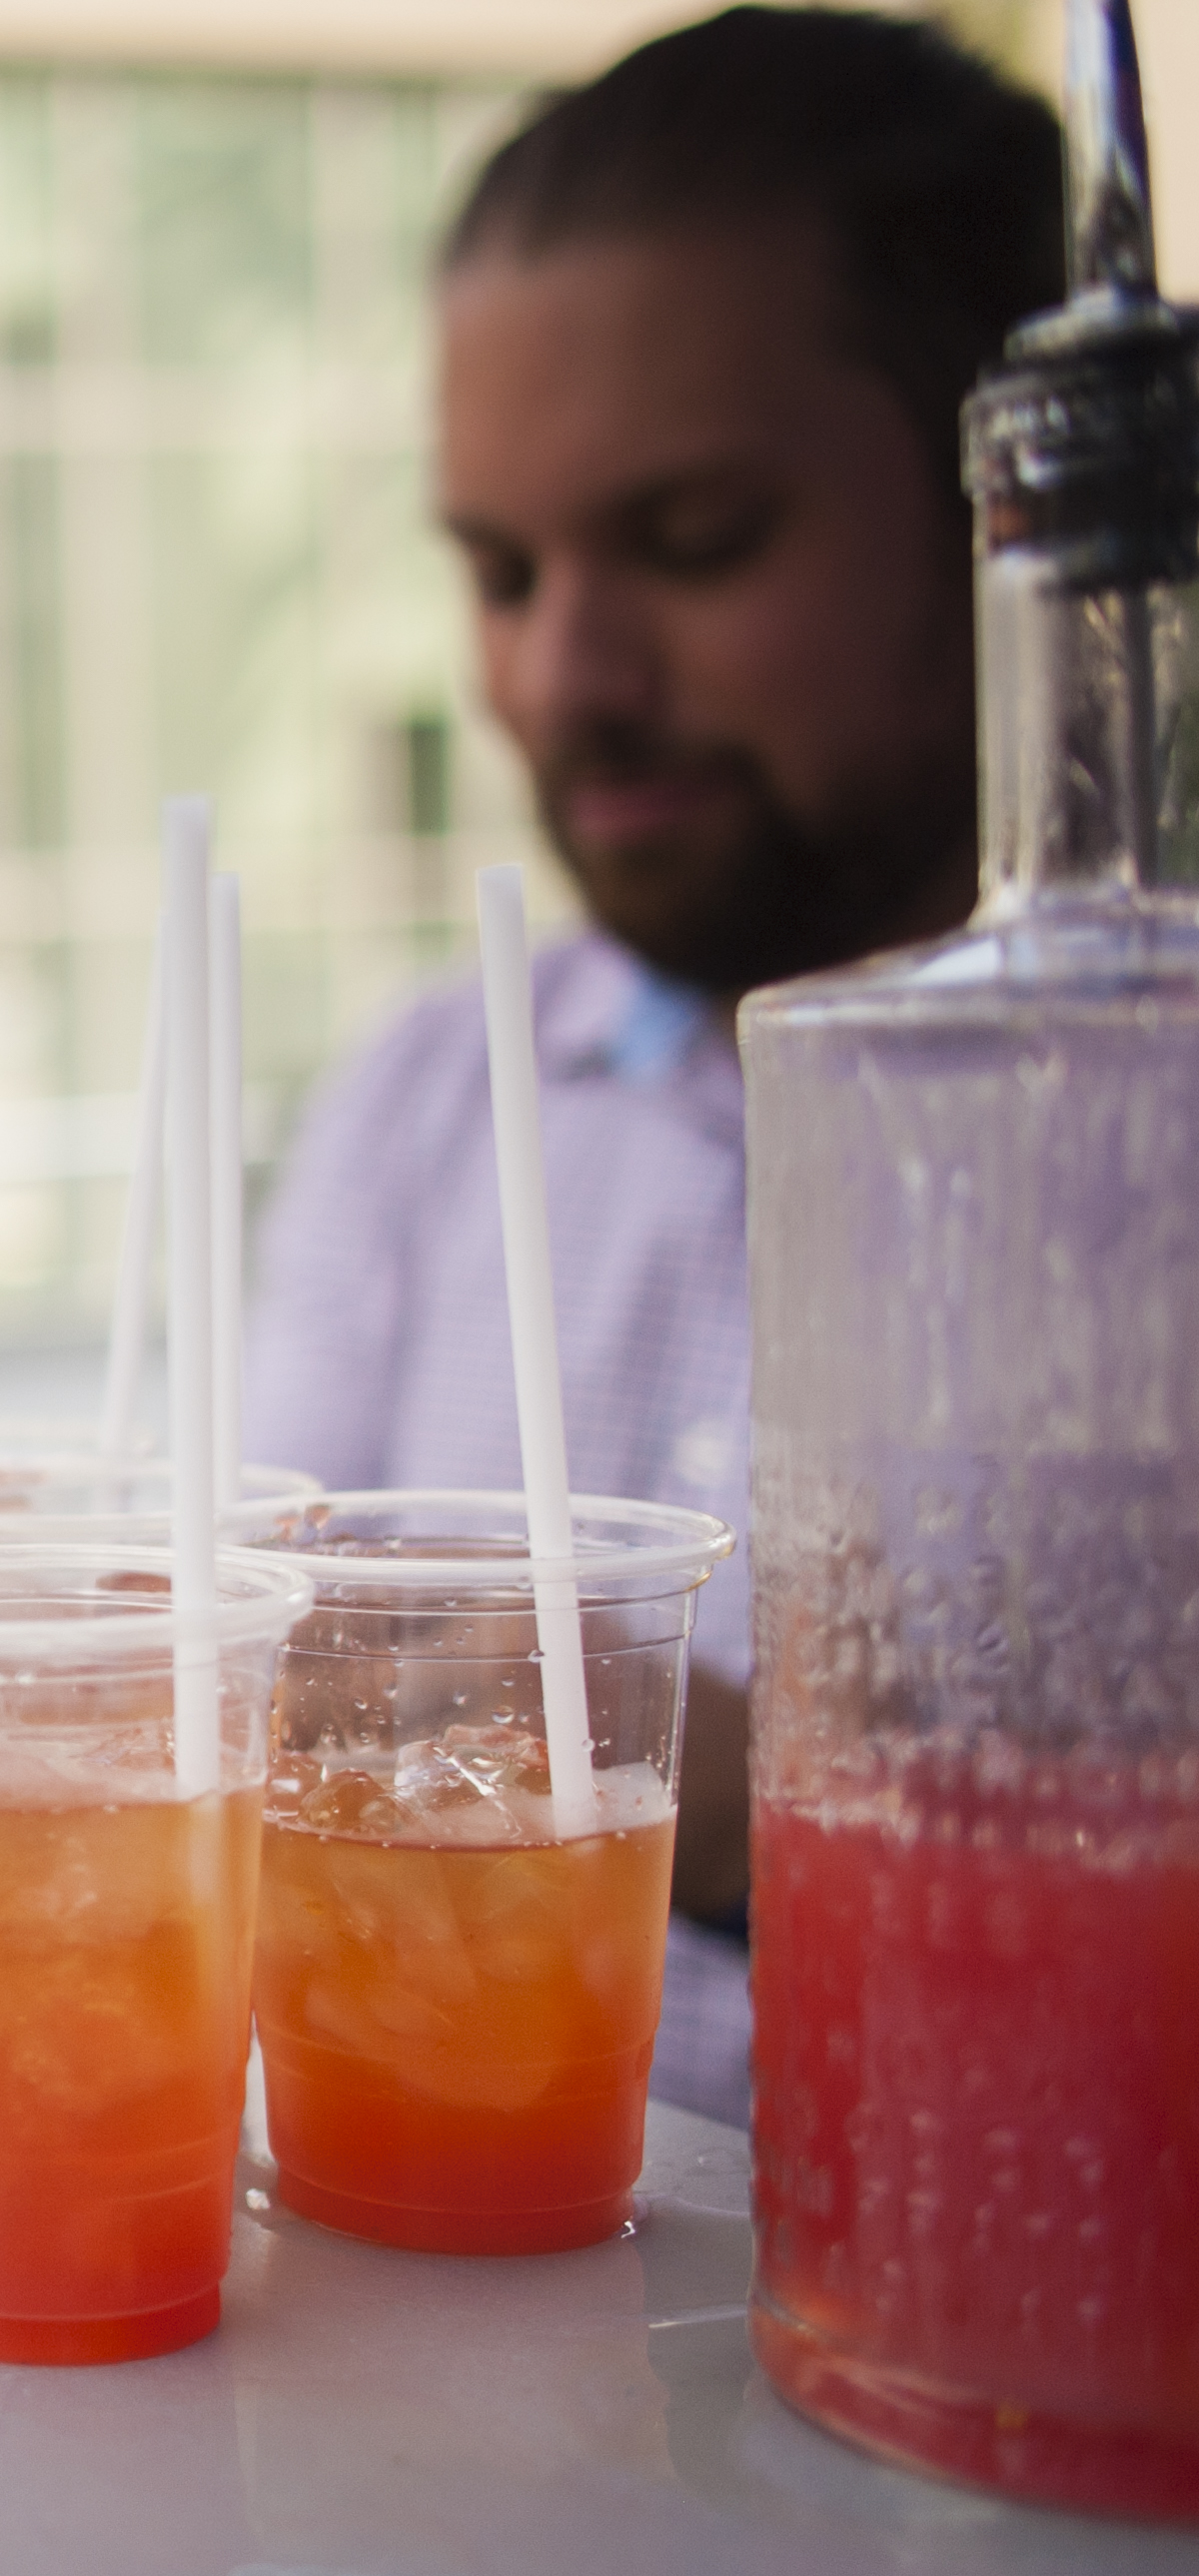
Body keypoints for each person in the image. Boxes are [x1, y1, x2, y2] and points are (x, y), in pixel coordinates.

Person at [242, 6, 1062, 2121]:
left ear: (1015, 508)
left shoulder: (1131, 1138)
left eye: (693, 542)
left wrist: (712, 1792)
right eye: (496, 575)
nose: (556, 680)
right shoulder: (426, 1107)